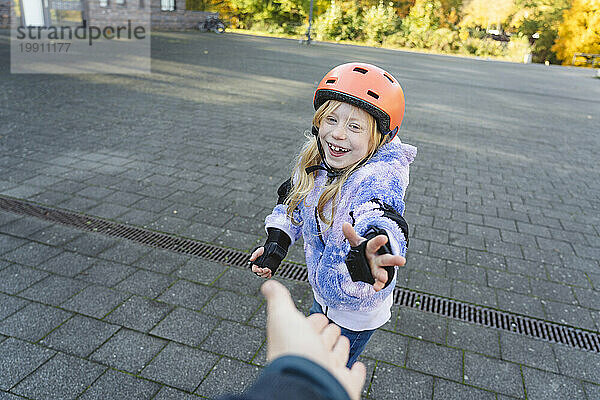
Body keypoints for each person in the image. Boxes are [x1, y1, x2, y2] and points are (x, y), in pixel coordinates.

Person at [249, 62, 417, 368]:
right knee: (314, 356)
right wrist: (277, 243)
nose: (338, 134)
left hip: (355, 304)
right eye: (331, 119)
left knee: (327, 373)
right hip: (324, 289)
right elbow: (294, 202)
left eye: (354, 127)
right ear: (318, 121)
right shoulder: (319, 161)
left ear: (380, 137)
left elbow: (380, 214)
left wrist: (373, 250)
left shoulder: (379, 178)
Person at [218, 280, 366, 400]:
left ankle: (340, 373)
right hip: (322, 296)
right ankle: (336, 376)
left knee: (344, 354)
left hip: (357, 315)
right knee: (321, 329)